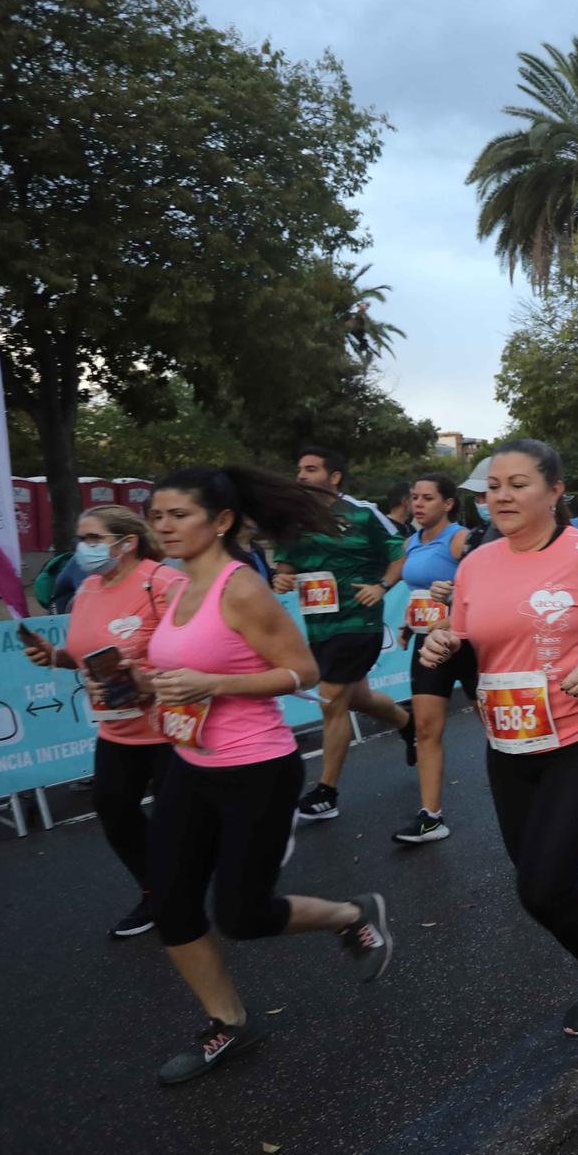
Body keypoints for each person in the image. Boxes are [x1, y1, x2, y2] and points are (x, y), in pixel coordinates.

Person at [141, 465, 395, 1084]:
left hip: (256, 768)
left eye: (180, 515)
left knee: (242, 914)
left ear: (222, 521)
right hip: (188, 762)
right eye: (157, 516)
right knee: (171, 903)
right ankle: (229, 1024)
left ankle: (351, 915)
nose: (165, 526)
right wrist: (142, 684)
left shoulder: (241, 589)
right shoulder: (174, 586)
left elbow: (303, 672)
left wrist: (214, 684)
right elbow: (177, 666)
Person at [419, 439, 578, 1050]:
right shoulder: (477, 563)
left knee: (545, 884)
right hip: (509, 742)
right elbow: (467, 643)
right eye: (493, 486)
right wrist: (441, 646)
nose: (501, 496)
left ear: (555, 491)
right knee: (533, 879)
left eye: (518, 484)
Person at [20, 504, 178, 937]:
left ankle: (178, 895)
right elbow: (86, 653)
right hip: (116, 726)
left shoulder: (162, 581)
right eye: (81, 539)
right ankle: (155, 891)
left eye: (93, 539)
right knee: (114, 809)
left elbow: (196, 651)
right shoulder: (87, 587)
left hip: (170, 724)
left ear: (127, 543)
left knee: (175, 822)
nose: (83, 548)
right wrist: (54, 656)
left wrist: (144, 678)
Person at [274, 446, 413, 823]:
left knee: (332, 698)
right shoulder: (293, 518)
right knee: (358, 696)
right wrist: (282, 576)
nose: (301, 476)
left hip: (358, 622)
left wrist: (382, 586)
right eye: (299, 468)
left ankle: (326, 792)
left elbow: (400, 555)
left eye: (311, 469)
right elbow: (284, 564)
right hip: (318, 624)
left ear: (334, 477)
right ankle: (407, 724)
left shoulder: (364, 513)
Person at [383, 471, 475, 845]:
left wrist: (451, 611)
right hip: (428, 644)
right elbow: (419, 592)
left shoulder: (460, 540)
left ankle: (533, 791)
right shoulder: (411, 543)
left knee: (497, 726)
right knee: (424, 729)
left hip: (468, 641)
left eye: (427, 498)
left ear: (448, 504)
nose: (417, 504)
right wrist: (410, 623)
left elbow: (485, 590)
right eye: (414, 498)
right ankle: (430, 816)